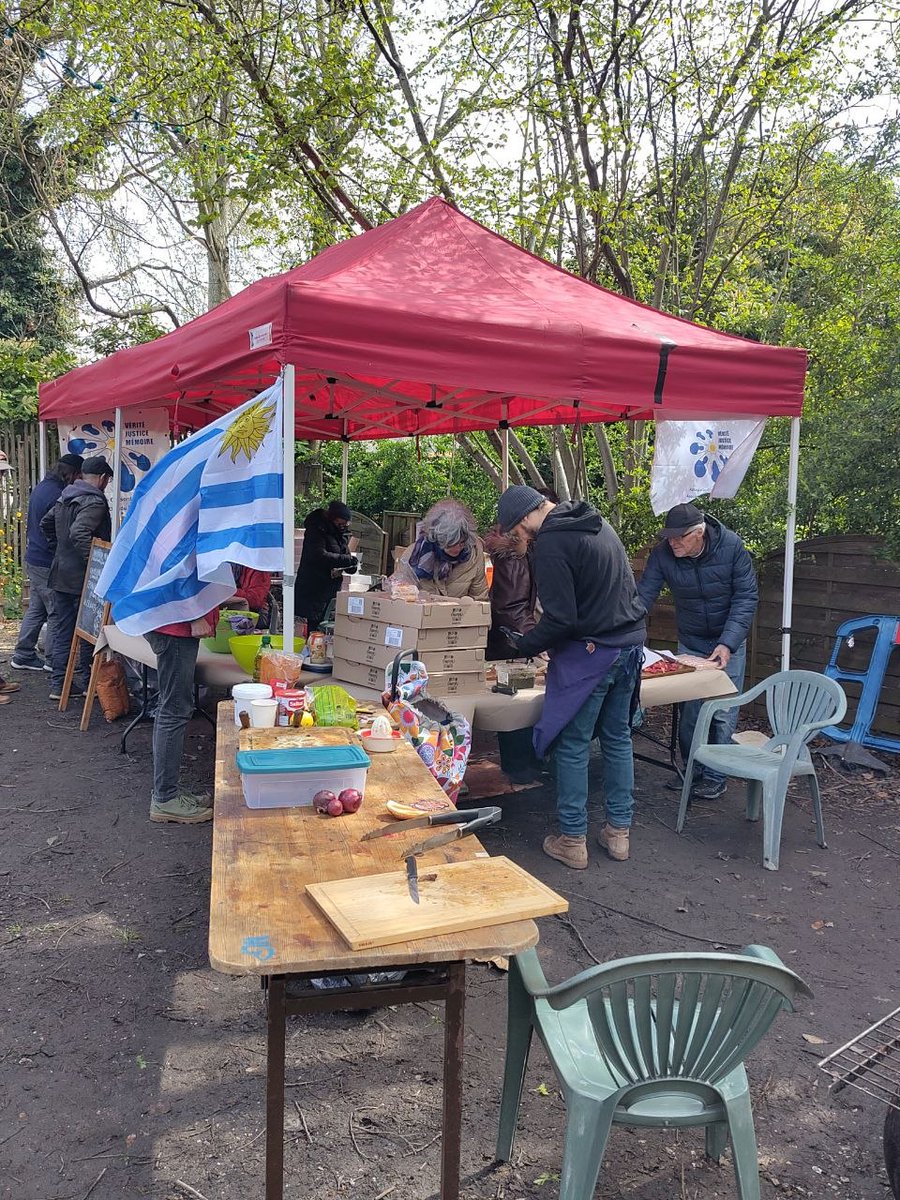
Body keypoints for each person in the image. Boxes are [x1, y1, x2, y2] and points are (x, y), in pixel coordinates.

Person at [497, 485, 646, 869]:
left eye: (516, 530)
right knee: (617, 739)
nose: (519, 538)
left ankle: (572, 839)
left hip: (593, 653)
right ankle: (619, 835)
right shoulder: (597, 523)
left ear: (527, 517)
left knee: (573, 744)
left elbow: (563, 619)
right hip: (629, 646)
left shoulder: (552, 542)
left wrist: (525, 644)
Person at [637, 502, 758, 800]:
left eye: (680, 537)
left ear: (699, 533)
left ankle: (716, 776)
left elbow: (746, 597)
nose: (673, 542)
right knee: (690, 711)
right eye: (669, 537)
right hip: (691, 641)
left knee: (722, 711)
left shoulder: (731, 547)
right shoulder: (664, 553)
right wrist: (619, 630)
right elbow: (642, 597)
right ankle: (693, 770)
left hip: (727, 641)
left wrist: (728, 642)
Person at [40, 455, 113, 700]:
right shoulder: (94, 501)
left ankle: (60, 685)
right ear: (103, 479)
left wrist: (59, 551)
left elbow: (46, 523)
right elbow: (79, 532)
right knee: (87, 631)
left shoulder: (66, 495)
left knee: (63, 629)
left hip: (61, 574)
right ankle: (87, 682)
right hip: (81, 578)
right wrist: (94, 564)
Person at [11, 454, 84, 672]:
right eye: (78, 476)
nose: (78, 480)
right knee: (56, 611)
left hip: (34, 556)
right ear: (70, 473)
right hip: (46, 560)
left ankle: (23, 653)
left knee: (37, 608)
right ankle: (53, 661)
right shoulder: (58, 494)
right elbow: (58, 528)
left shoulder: (42, 487)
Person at [145, 609, 217, 824]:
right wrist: (194, 616)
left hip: (174, 625)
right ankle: (165, 798)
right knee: (174, 711)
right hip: (176, 627)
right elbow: (176, 580)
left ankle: (169, 791)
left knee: (171, 709)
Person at [395, 499, 489, 601]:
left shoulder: (474, 553)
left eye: (461, 543)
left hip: (459, 615)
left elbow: (479, 598)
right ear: (437, 538)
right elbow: (400, 595)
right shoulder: (412, 556)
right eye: (451, 544)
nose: (457, 548)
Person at [296, 500, 358, 632]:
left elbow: (344, 554)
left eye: (345, 524)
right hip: (313, 586)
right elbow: (318, 555)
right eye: (340, 523)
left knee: (325, 626)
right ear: (332, 518)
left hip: (330, 588)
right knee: (313, 628)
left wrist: (351, 565)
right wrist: (345, 560)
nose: (342, 526)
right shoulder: (316, 530)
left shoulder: (339, 533)